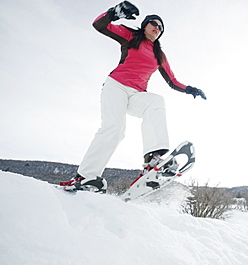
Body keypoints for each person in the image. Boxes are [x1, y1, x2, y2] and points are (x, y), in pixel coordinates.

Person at [61, 1, 206, 192]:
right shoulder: (130, 36)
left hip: (137, 94)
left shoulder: (159, 55)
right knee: (115, 129)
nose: (157, 28)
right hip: (116, 87)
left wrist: (190, 89)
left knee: (156, 101)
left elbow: (172, 80)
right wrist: (114, 13)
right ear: (144, 25)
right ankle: (86, 177)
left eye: (161, 27)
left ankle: (152, 161)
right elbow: (99, 25)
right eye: (154, 23)